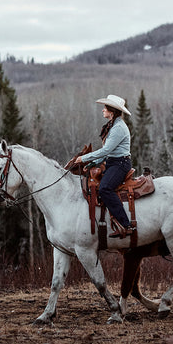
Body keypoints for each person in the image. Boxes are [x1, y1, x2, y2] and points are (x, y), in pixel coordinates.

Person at [75, 94, 134, 238]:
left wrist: (84, 158)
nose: (102, 110)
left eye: (105, 108)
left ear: (112, 111)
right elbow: (107, 152)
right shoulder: (112, 125)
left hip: (120, 164)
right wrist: (91, 164)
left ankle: (126, 225)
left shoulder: (118, 128)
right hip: (113, 162)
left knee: (105, 188)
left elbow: (106, 151)